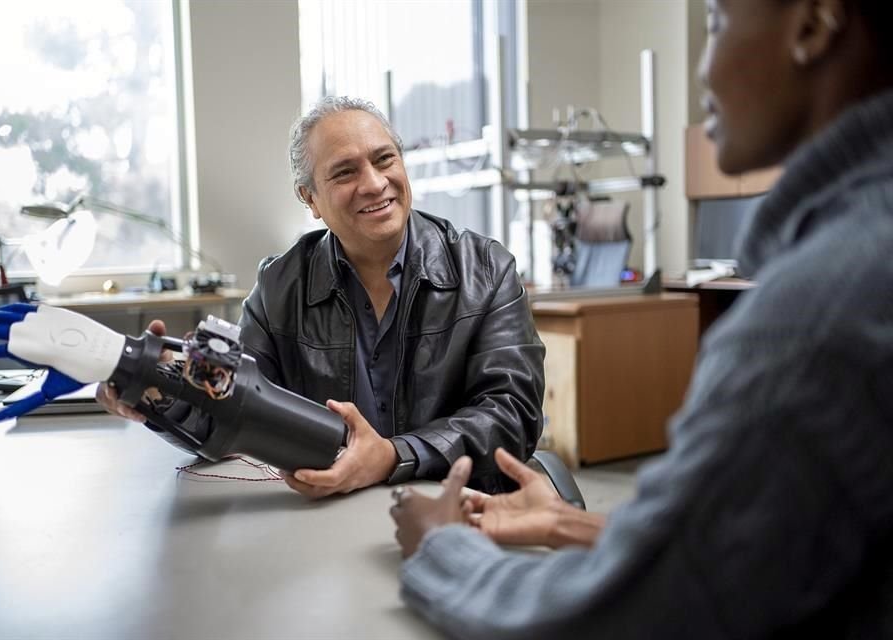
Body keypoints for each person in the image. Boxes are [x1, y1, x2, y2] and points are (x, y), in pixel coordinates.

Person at [390, 0, 893, 636]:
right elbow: (769, 541)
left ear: (813, 25)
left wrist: (442, 550)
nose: (703, 71)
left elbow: (638, 613)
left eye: (714, 23)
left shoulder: (815, 317)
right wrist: (571, 524)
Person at [99, 96, 545, 497]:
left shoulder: (486, 270)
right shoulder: (279, 286)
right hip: (331, 514)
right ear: (309, 198)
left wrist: (393, 455)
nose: (373, 183)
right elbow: (231, 412)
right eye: (345, 172)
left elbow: (512, 414)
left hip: (459, 507)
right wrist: (158, 394)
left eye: (384, 159)